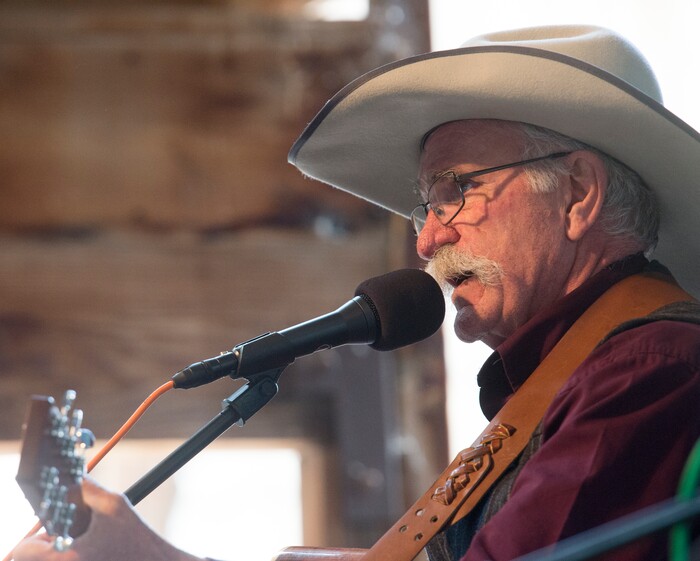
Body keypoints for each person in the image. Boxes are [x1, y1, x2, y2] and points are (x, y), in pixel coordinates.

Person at [12, 24, 700, 561]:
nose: (427, 240)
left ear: (578, 193)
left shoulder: (647, 366)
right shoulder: (589, 375)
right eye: (423, 205)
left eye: (457, 189)